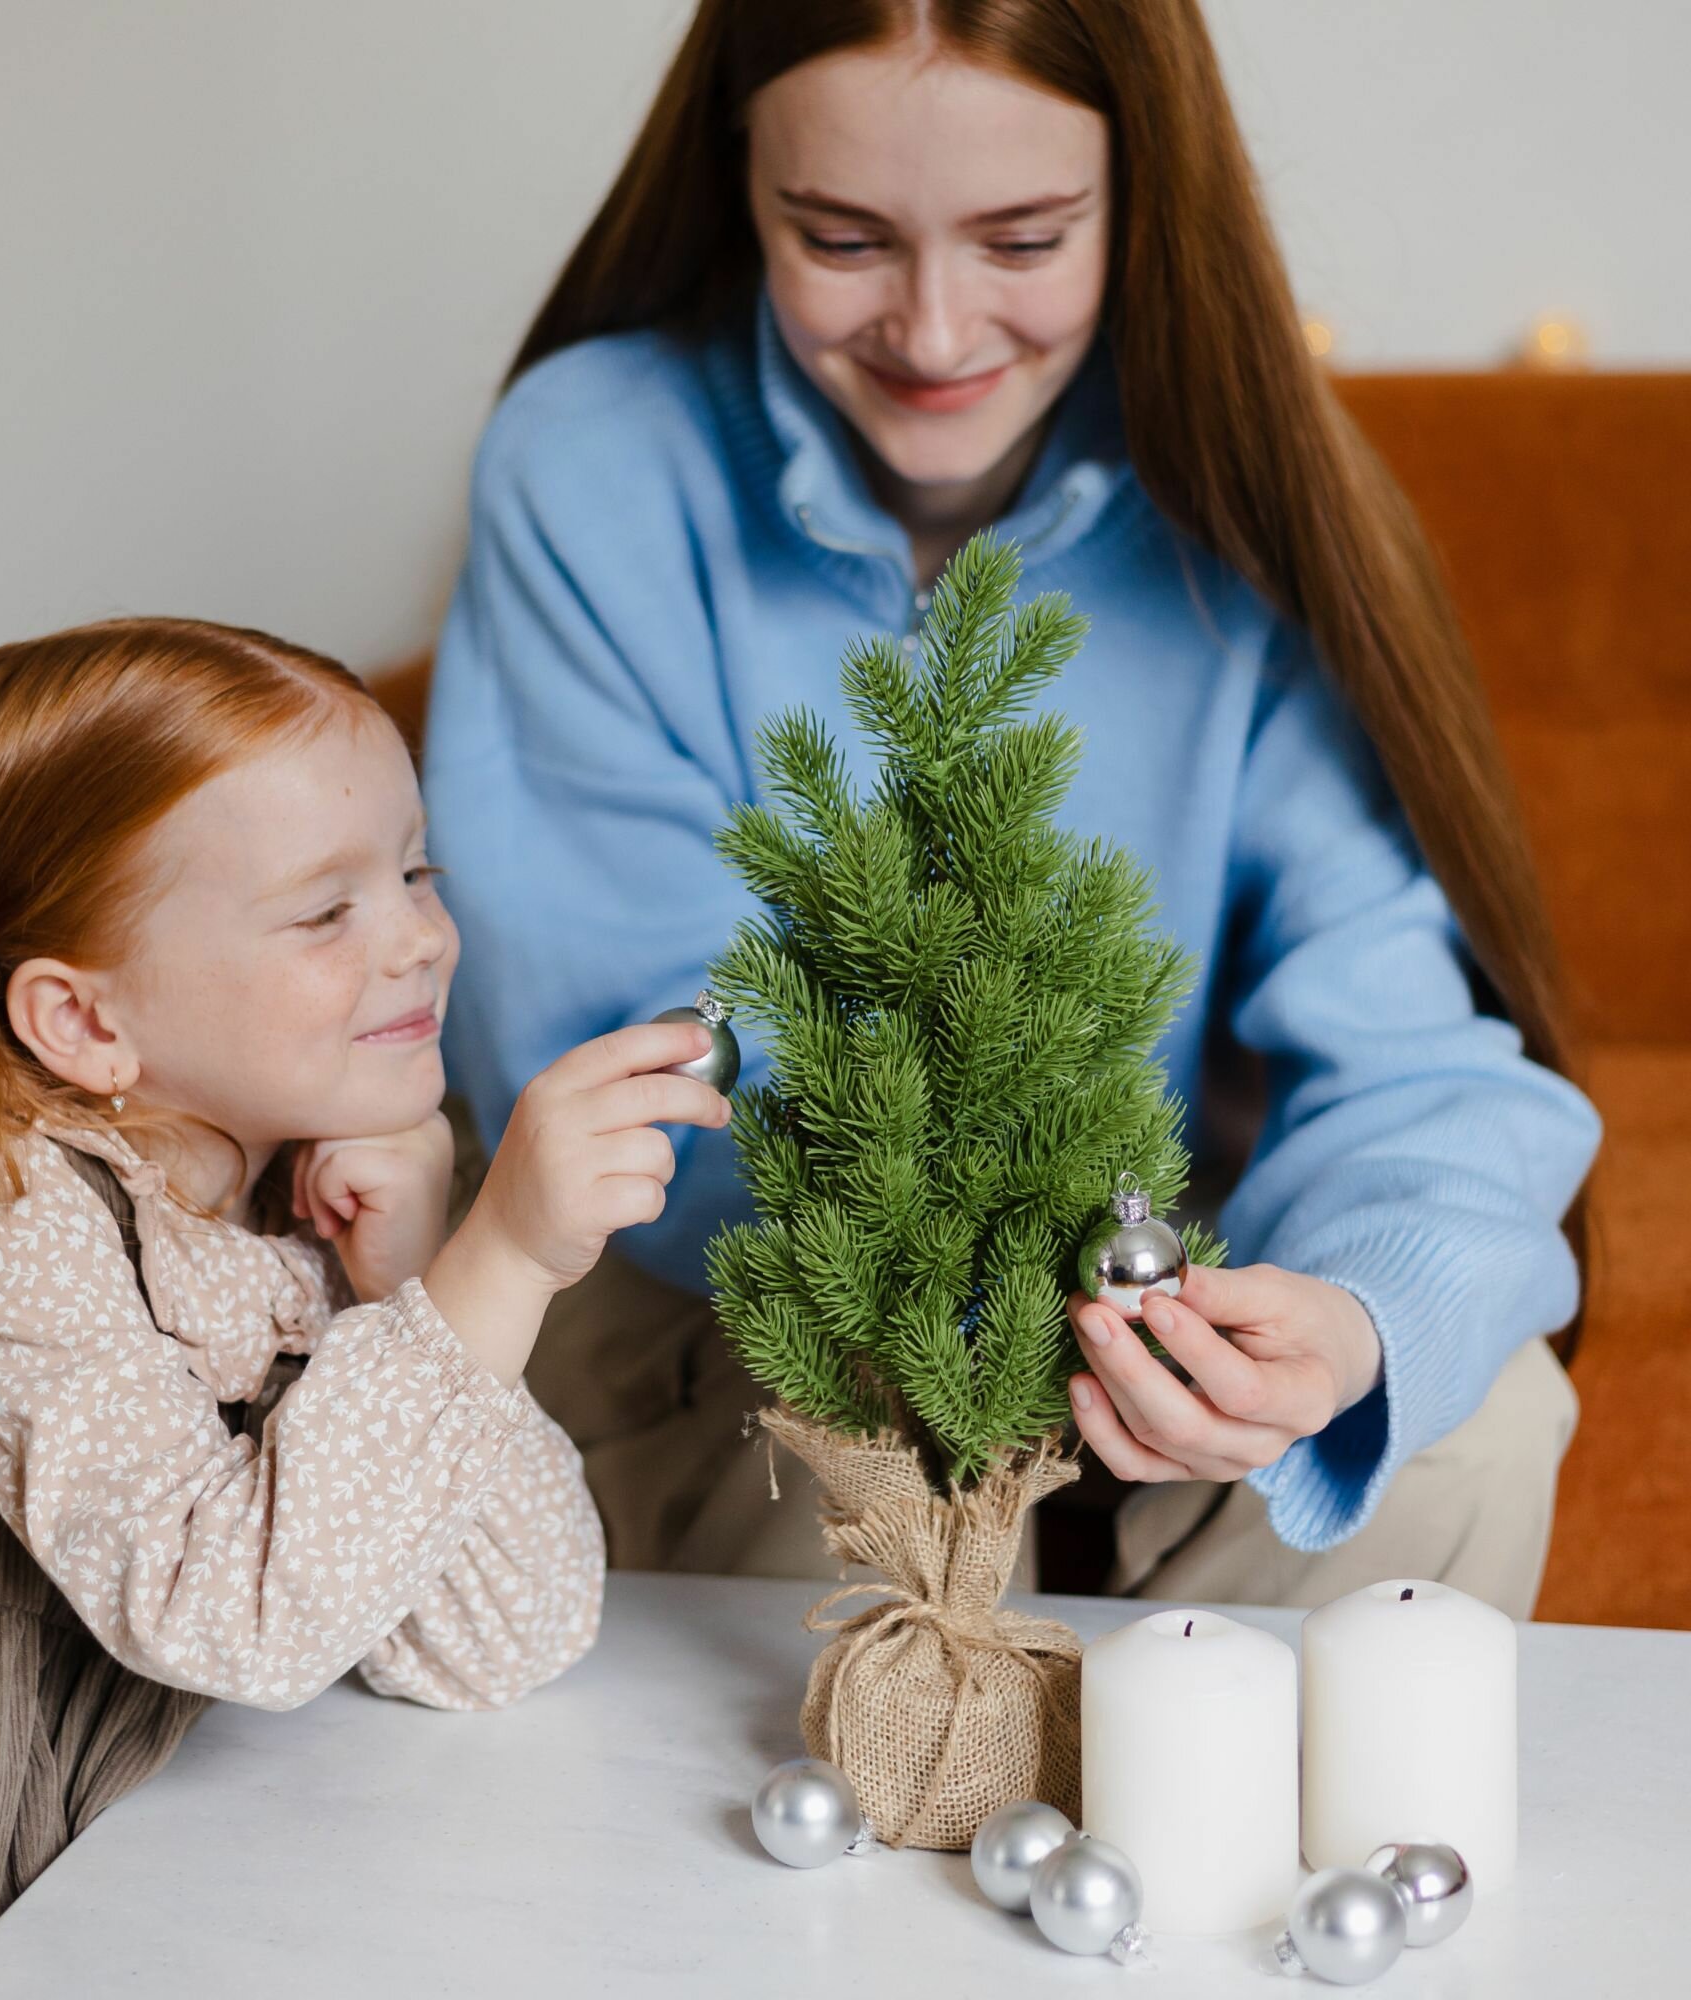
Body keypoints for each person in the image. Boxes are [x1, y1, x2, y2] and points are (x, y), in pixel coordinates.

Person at [422, 0, 1599, 1612]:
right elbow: (630, 1065)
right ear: (736, 174)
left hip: (1122, 1277)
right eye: (839, 237)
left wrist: (1350, 1322)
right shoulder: (590, 464)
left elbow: (1417, 1059)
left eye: (1024, 238)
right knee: (838, 1455)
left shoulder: (1245, 508)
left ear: (1145, 200)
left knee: (1479, 1419)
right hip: (740, 1298)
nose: (934, 324)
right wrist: (1001, 1310)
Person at [0, 618, 731, 1998]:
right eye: (325, 910)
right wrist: (502, 1268)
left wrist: (418, 1270)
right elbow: (231, 1616)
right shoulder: (13, 1220)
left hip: (187, 1851)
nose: (425, 935)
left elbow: (504, 1639)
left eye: (417, 868)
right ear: (82, 1024)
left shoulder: (283, 1178)